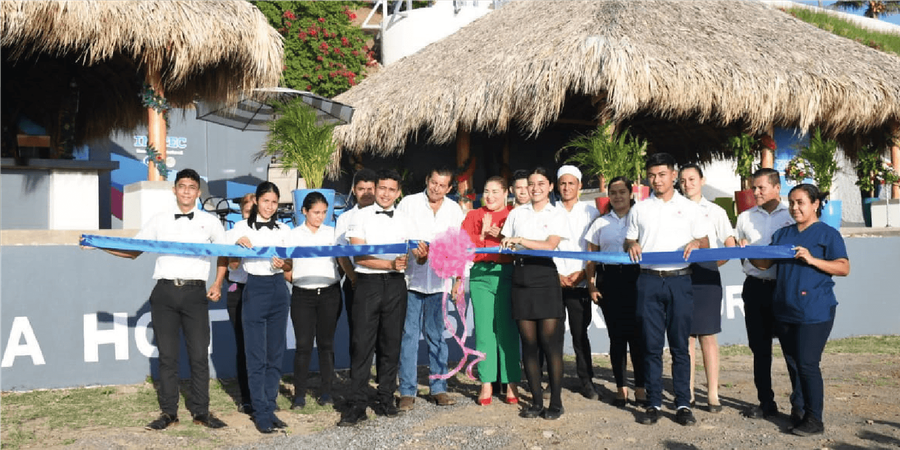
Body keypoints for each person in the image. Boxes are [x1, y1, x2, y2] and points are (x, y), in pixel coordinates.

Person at [101, 168, 228, 430]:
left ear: (198, 192)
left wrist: (217, 283)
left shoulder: (211, 222)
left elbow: (225, 254)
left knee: (198, 356)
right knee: (168, 357)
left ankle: (201, 412)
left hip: (195, 293)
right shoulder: (159, 220)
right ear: (174, 189)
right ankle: (169, 413)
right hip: (164, 293)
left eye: (191, 187)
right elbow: (133, 252)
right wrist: (97, 245)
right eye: (182, 186)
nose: (186, 191)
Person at [750, 184, 850, 436]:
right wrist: (746, 249)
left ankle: (815, 419)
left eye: (801, 202)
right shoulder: (783, 235)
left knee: (807, 363)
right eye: (792, 202)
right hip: (785, 308)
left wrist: (812, 259)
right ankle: (801, 410)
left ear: (815, 204)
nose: (795, 208)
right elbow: (763, 265)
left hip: (815, 309)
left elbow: (843, 267)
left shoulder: (827, 234)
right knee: (794, 363)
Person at [339, 169, 428, 426]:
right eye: (382, 188)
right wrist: (389, 265)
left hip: (397, 286)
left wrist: (422, 255)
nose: (386, 193)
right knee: (362, 346)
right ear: (375, 189)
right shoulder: (359, 217)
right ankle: (356, 404)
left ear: (398, 193)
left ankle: (386, 399)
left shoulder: (406, 219)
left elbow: (418, 257)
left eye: (392, 189)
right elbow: (358, 255)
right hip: (367, 285)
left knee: (391, 344)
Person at [625, 153, 708, 426]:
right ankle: (654, 403)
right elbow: (629, 241)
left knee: (680, 346)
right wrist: (632, 245)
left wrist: (696, 244)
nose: (657, 180)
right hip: (648, 280)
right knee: (650, 345)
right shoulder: (639, 208)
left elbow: (705, 242)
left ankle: (683, 402)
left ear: (673, 175)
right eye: (652, 175)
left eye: (662, 174)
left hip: (680, 280)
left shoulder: (691, 208)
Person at [501, 167, 570, 420]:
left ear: (550, 186)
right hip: (520, 279)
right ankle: (537, 402)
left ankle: (557, 402)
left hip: (545, 278)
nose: (535, 188)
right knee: (528, 345)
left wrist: (521, 240)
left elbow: (550, 245)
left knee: (549, 344)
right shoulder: (517, 213)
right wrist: (513, 241)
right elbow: (506, 243)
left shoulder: (557, 213)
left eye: (541, 183)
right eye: (531, 184)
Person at [397, 168, 465, 411]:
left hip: (439, 284)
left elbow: (458, 248)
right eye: (433, 182)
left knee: (437, 337)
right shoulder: (408, 203)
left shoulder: (454, 210)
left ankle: (439, 388)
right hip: (411, 282)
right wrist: (413, 252)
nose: (436, 188)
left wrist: (459, 279)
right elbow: (399, 236)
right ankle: (407, 391)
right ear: (427, 180)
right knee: (409, 336)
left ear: (449, 189)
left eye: (442, 185)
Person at [231, 182, 293, 434]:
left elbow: (290, 266)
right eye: (265, 201)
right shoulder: (239, 227)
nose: (269, 206)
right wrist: (237, 243)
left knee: (275, 352)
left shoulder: (284, 229)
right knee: (256, 354)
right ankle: (260, 412)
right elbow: (232, 263)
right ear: (256, 201)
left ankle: (270, 405)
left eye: (274, 202)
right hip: (254, 288)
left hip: (279, 289)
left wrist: (283, 265)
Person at [734, 168, 795, 420]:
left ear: (777, 188)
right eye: (753, 188)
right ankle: (765, 402)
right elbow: (739, 253)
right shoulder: (744, 218)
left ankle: (799, 404)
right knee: (760, 349)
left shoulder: (793, 214)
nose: (756, 193)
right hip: (755, 287)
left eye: (761, 188)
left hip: (785, 288)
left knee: (792, 349)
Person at [678, 163, 736, 413]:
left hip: (706, 277)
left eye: (692, 179)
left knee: (709, 337)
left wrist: (712, 263)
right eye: (682, 180)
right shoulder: (673, 210)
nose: (687, 184)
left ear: (702, 180)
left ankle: (712, 394)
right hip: (679, 275)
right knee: (686, 338)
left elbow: (730, 244)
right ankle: (687, 392)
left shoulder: (715, 211)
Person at [585, 176, 646, 408]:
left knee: (639, 338)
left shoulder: (641, 218)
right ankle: (621, 389)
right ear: (608, 196)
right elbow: (591, 257)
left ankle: (640, 388)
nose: (618, 196)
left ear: (631, 194)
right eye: (613, 192)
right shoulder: (600, 223)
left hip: (638, 280)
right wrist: (591, 285)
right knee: (617, 338)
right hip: (610, 280)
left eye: (622, 191)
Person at [461, 176, 521, 405]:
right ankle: (486, 383)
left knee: (507, 331)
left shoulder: (513, 214)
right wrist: (482, 235)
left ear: (506, 193)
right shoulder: (473, 215)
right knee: (485, 331)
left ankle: (511, 382)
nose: (490, 196)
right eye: (486, 191)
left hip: (506, 272)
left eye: (496, 191)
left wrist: (500, 236)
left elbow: (522, 244)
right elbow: (463, 244)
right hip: (480, 275)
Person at [285, 192, 341, 410]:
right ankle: (299, 395)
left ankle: (327, 392)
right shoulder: (293, 235)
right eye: (316, 212)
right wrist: (294, 277)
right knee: (303, 345)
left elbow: (342, 262)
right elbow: (286, 264)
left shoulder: (333, 233)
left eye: (324, 212)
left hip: (329, 293)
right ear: (304, 212)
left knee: (326, 345)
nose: (320, 217)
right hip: (302, 294)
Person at [552, 165, 600, 400]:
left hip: (580, 282)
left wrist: (582, 274)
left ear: (580, 186)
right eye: (563, 183)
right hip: (555, 282)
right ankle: (553, 380)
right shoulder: (549, 212)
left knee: (580, 335)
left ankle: (586, 380)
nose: (567, 187)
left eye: (571, 183)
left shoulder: (590, 212)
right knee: (554, 334)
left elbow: (593, 248)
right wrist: (558, 276)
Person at [222, 193, 255, 414]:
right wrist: (236, 248)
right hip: (238, 290)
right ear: (241, 210)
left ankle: (263, 395)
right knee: (243, 346)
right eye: (246, 208)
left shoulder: (271, 230)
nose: (250, 213)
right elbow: (231, 267)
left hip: (262, 289)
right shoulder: (232, 232)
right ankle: (246, 398)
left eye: (255, 208)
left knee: (261, 347)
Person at [335, 169, 378, 320]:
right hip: (355, 280)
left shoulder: (387, 216)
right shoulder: (344, 218)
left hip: (383, 281)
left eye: (369, 189)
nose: (365, 193)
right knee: (357, 333)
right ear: (354, 190)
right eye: (361, 189)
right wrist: (353, 277)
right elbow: (341, 252)